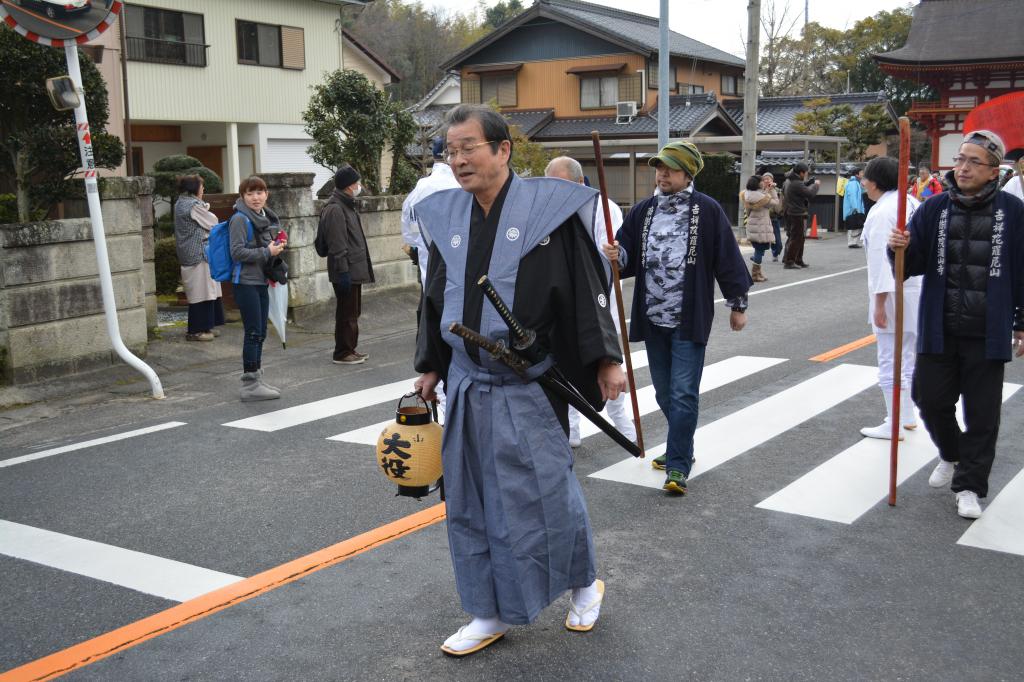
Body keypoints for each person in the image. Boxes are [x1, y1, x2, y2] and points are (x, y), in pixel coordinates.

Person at [413, 104, 626, 655]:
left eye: (469, 148)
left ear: (502, 150)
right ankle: (487, 610)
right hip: (466, 384)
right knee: (471, 500)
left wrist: (604, 360)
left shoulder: (547, 216)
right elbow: (434, 296)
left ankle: (583, 584)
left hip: (527, 385)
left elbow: (586, 289)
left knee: (546, 495)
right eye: (450, 150)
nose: (458, 160)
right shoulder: (447, 218)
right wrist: (432, 365)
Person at [888, 130, 1024, 520]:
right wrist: (898, 248)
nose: (962, 167)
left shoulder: (1013, 214)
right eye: (960, 159)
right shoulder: (934, 209)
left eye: (973, 162)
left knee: (982, 414)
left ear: (993, 170)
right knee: (928, 399)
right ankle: (951, 453)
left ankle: (969, 486)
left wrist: (1022, 322)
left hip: (988, 328)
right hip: (939, 325)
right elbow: (908, 268)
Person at [603, 141, 751, 494]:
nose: (662, 174)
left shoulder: (708, 210)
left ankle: (678, 466)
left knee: (684, 394)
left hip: (688, 317)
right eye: (659, 168)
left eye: (670, 168)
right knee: (665, 394)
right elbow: (625, 255)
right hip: (652, 316)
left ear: (687, 174)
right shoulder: (643, 211)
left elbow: (727, 259)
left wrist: (738, 304)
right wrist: (616, 253)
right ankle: (680, 444)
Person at [545, 155, 637, 448]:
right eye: (552, 186)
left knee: (609, 362)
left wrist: (613, 252)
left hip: (600, 301)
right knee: (569, 364)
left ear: (581, 182)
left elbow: (611, 249)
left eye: (563, 186)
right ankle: (571, 429)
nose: (558, 193)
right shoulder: (547, 209)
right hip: (562, 305)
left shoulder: (603, 208)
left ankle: (623, 424)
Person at [858, 157, 921, 439]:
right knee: (906, 357)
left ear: (875, 181)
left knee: (889, 358)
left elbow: (884, 264)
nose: (862, 182)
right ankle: (906, 415)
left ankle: (894, 422)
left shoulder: (883, 211)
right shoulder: (910, 202)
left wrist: (880, 304)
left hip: (896, 293)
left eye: (865, 178)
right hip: (917, 291)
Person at [229, 176, 287, 402]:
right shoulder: (240, 219)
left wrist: (276, 247)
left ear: (266, 194)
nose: (255, 198)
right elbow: (237, 252)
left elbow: (263, 248)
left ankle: (256, 379)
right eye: (250, 193)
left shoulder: (265, 217)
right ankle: (250, 385)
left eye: (259, 192)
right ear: (243, 196)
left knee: (260, 332)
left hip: (260, 280)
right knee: (254, 333)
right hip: (245, 282)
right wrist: (267, 252)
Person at [319, 164, 375, 365]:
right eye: (356, 183)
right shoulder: (336, 209)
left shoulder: (346, 205)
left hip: (352, 268)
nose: (359, 186)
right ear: (349, 186)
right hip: (346, 269)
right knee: (346, 313)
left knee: (352, 312)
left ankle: (349, 348)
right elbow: (337, 244)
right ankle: (342, 352)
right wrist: (343, 271)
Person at [401, 138, 461, 289]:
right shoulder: (459, 186)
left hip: (426, 273)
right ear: (450, 155)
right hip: (456, 277)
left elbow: (409, 237)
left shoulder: (416, 191)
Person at [173, 174, 224, 342]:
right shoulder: (193, 206)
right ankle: (196, 331)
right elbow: (213, 221)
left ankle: (207, 326)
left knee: (206, 289)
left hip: (191, 253)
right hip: (198, 254)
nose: (203, 190)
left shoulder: (181, 202)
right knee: (202, 290)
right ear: (194, 189)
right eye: (202, 187)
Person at [782, 162, 820, 269]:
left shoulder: (792, 180)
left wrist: (809, 183)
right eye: (806, 173)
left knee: (800, 238)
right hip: (796, 213)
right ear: (801, 173)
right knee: (796, 238)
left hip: (794, 212)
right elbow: (810, 194)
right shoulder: (796, 183)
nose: (806, 175)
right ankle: (789, 261)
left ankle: (798, 260)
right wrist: (816, 185)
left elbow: (802, 187)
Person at [741, 174, 779, 283]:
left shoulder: (747, 193)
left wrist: (766, 190)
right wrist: (772, 190)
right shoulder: (761, 196)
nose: (763, 182)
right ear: (757, 183)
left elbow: (762, 198)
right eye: (762, 181)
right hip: (761, 226)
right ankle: (755, 274)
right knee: (759, 250)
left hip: (753, 224)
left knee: (760, 249)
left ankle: (758, 270)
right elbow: (774, 203)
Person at [762, 173, 784, 262]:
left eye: (769, 179)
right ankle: (758, 254)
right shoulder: (760, 190)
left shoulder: (777, 190)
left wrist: (773, 190)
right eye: (765, 179)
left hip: (774, 217)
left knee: (777, 240)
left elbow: (780, 201)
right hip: (763, 218)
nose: (767, 180)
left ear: (772, 180)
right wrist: (767, 189)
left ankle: (775, 252)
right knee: (762, 239)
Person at [843, 169, 866, 249]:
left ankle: (853, 242)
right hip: (854, 208)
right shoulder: (853, 183)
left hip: (855, 208)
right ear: (857, 174)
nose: (863, 174)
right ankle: (852, 242)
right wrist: (855, 207)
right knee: (854, 225)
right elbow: (852, 196)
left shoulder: (855, 183)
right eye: (861, 172)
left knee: (855, 225)